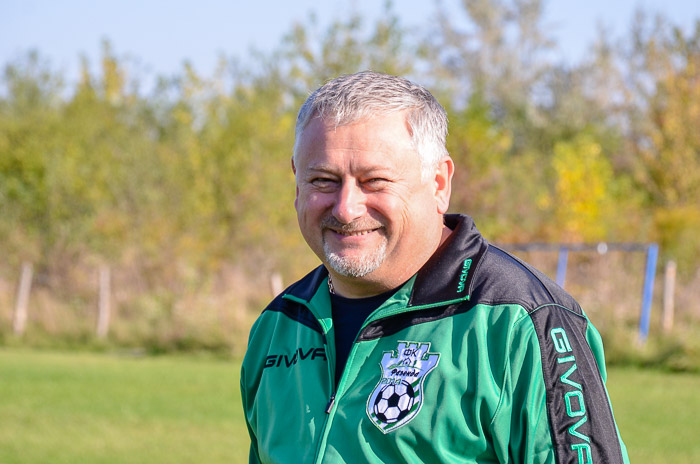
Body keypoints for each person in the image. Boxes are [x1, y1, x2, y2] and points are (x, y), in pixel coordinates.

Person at [240, 71, 629, 463]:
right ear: (296, 183)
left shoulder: (519, 321)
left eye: (375, 181)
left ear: (439, 183)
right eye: (323, 180)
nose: (346, 208)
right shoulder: (278, 325)